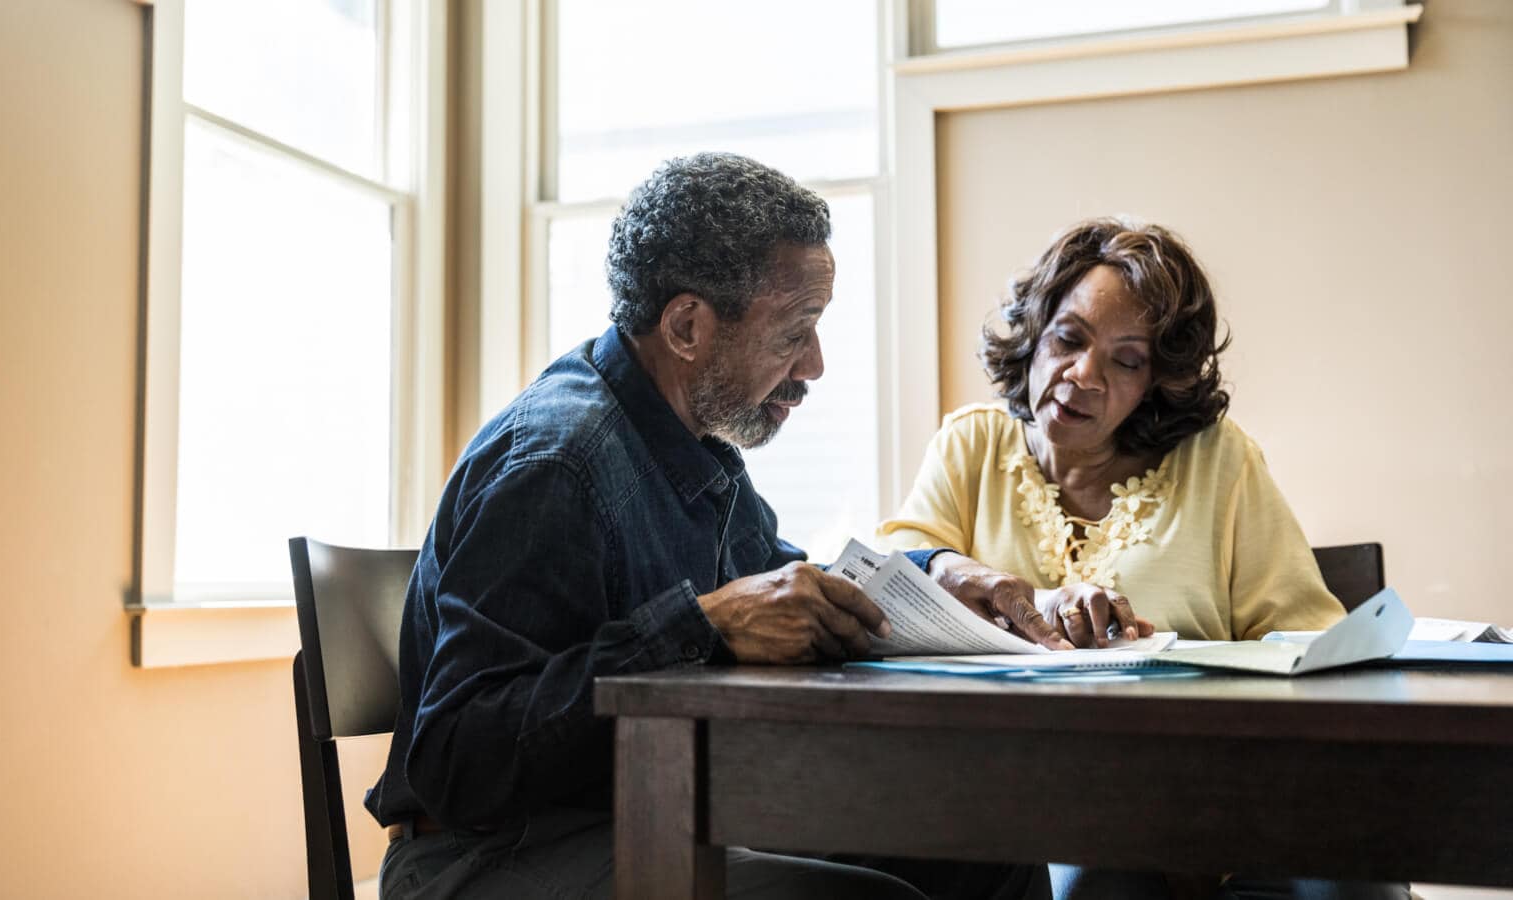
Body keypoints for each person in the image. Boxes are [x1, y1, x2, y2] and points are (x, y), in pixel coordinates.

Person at [367, 153, 1046, 900]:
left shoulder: (694, 445)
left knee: (989, 845)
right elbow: (458, 761)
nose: (815, 365)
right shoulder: (555, 464)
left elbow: (792, 593)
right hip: (482, 858)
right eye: (796, 332)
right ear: (688, 325)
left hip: (655, 814)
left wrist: (940, 576)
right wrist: (701, 629)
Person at [878, 217, 1406, 900]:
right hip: (1026, 797)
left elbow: (1308, 641)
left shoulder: (1219, 460)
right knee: (1093, 881)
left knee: (1354, 884)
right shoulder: (971, 445)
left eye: (1126, 360)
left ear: (1158, 381)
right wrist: (973, 576)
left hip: (1218, 792)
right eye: (1068, 338)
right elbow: (893, 570)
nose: (1082, 375)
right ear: (1035, 332)